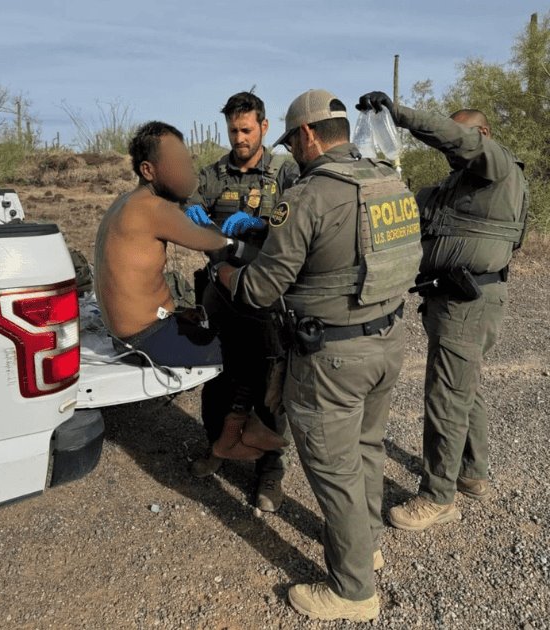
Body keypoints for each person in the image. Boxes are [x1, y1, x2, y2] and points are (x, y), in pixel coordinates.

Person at [212, 89, 422, 621]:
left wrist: (229, 273)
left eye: (292, 140)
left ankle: (353, 592)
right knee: (368, 447)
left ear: (307, 135)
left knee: (333, 468)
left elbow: (262, 289)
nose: (295, 152)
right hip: (388, 341)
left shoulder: (307, 196)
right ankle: (365, 544)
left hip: (332, 356)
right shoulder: (389, 180)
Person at [356, 92, 530, 531]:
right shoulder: (451, 187)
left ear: (482, 134)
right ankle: (472, 473)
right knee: (463, 389)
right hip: (447, 300)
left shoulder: (498, 167)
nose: (450, 147)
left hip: (468, 303)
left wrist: (402, 115)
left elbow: (456, 139)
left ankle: (437, 496)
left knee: (445, 396)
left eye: (459, 136)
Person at [94, 121, 282, 460]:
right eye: (177, 164)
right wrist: (273, 256)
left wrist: (177, 313)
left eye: (187, 162)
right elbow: (215, 244)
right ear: (148, 170)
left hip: (134, 330)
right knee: (253, 347)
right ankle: (233, 433)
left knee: (226, 330)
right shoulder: (154, 209)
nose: (188, 173)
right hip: (145, 338)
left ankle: (228, 431)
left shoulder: (127, 202)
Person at [182, 92, 301, 511]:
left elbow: (303, 221)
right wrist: (194, 212)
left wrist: (262, 224)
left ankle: (269, 474)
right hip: (220, 294)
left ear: (264, 128)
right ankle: (218, 446)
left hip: (268, 296)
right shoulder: (215, 173)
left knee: (270, 385)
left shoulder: (283, 173)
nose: (239, 138)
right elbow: (186, 194)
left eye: (246, 130)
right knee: (218, 378)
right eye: (233, 130)